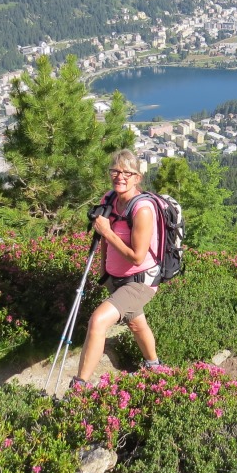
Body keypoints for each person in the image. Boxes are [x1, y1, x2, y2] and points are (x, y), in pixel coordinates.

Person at [70, 149, 163, 390]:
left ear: (137, 177)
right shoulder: (109, 199)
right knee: (136, 322)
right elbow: (103, 240)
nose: (120, 177)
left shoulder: (142, 210)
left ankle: (79, 386)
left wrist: (107, 231)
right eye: (115, 171)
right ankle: (155, 366)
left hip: (140, 280)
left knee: (98, 321)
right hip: (116, 277)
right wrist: (104, 270)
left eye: (127, 173)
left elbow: (137, 257)